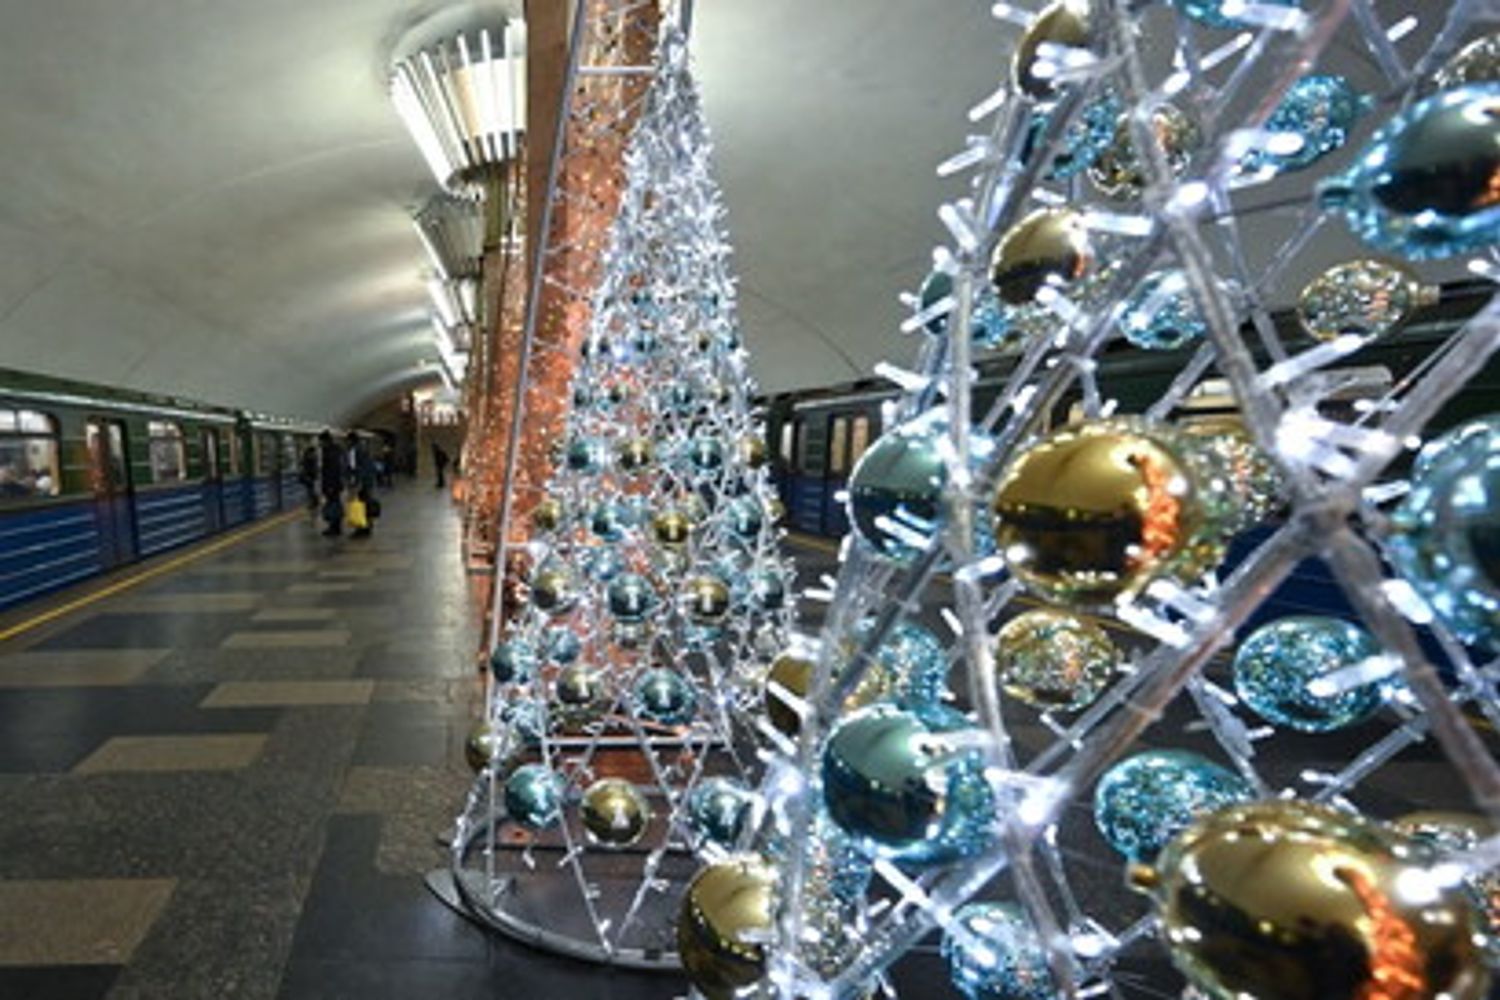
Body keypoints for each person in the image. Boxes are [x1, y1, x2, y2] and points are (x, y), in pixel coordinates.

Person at [345, 432, 377, 539]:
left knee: (360, 505)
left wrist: (356, 484)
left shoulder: (354, 451)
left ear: (350, 441)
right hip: (368, 481)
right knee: (367, 504)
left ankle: (361, 528)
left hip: (362, 482)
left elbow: (355, 469)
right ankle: (368, 526)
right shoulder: (364, 449)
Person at [318, 430, 345, 537]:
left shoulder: (329, 452)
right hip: (336, 483)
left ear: (325, 441)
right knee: (335, 504)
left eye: (321, 441)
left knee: (333, 505)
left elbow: (331, 470)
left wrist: (329, 486)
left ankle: (334, 527)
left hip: (332, 484)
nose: (320, 443)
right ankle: (336, 526)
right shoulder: (337, 450)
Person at [299, 444, 319, 516]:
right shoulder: (309, 459)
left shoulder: (309, 458)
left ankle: (313, 503)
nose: (314, 454)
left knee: (311, 491)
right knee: (311, 491)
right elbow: (310, 469)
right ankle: (313, 503)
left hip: (311, 478)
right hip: (309, 478)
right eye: (313, 452)